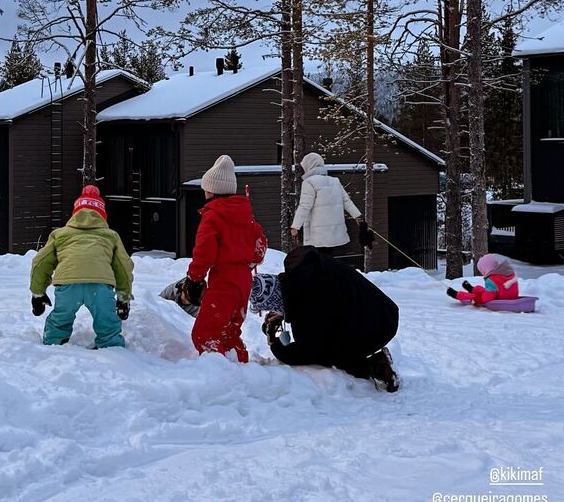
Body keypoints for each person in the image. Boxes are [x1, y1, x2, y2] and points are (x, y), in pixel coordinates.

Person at [262, 246, 400, 392]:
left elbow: (305, 352)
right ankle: (374, 364)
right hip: (384, 312)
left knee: (330, 354)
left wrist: (274, 341)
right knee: (332, 338)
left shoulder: (306, 307)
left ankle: (375, 366)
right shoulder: (305, 273)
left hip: (374, 326)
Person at [182, 155, 266, 363]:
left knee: (204, 334)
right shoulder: (247, 216)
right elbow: (260, 248)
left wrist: (194, 278)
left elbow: (204, 252)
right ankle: (240, 363)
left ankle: (219, 373)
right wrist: (247, 262)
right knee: (229, 330)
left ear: (211, 190)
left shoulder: (213, 216)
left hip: (224, 282)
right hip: (243, 281)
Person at [29, 185, 134, 349]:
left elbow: (40, 263)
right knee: (107, 320)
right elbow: (123, 267)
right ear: (102, 215)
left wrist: (38, 293)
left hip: (68, 285)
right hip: (99, 286)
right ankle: (111, 347)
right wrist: (123, 297)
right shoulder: (110, 236)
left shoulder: (60, 234)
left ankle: (53, 344)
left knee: (61, 317)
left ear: (75, 213)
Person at [290, 152, 374, 255]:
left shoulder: (309, 182)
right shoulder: (334, 181)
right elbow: (347, 201)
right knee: (328, 259)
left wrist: (295, 226)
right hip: (333, 233)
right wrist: (357, 216)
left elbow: (304, 206)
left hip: (318, 235)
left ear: (309, 166)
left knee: (319, 261)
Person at [159, 273, 280, 320]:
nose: (185, 301)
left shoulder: (202, 306)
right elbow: (154, 307)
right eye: (186, 298)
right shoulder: (171, 292)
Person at [446, 253, 520, 306]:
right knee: (484, 289)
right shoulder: (510, 274)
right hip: (510, 296)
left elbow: (487, 297)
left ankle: (457, 294)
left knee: (476, 296)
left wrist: (478, 299)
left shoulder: (492, 280)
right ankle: (472, 288)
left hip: (499, 298)